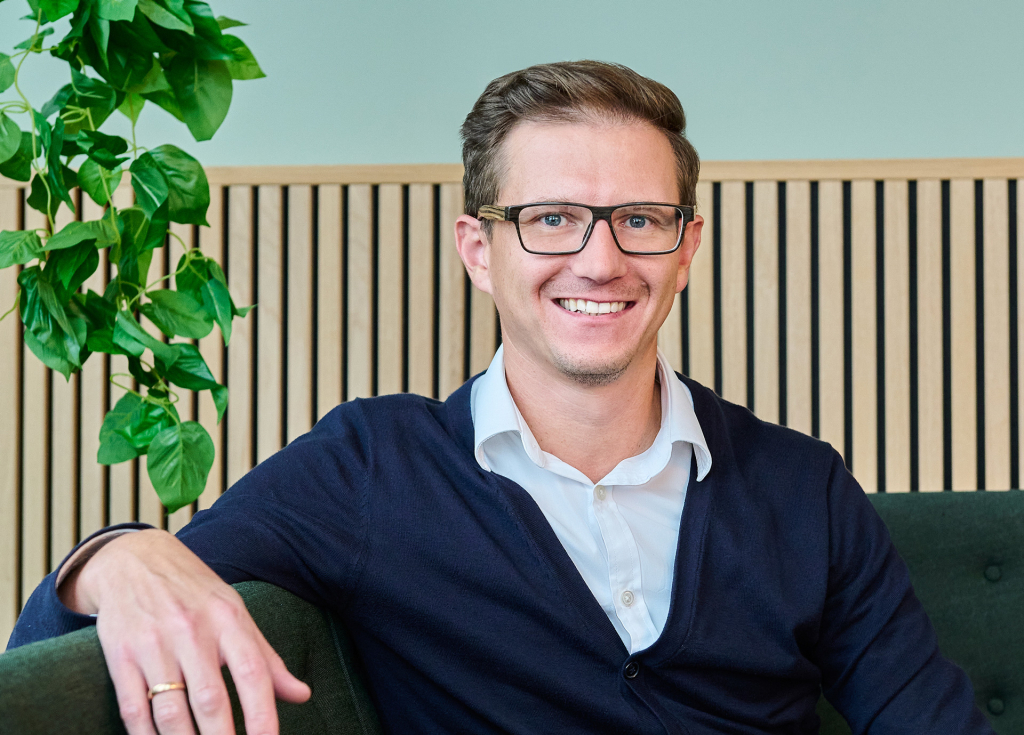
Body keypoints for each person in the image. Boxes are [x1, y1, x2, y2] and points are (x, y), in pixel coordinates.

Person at [9, 61, 993, 735]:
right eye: (551, 218)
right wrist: (116, 557)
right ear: (478, 250)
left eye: (640, 218)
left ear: (686, 246)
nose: (599, 260)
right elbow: (44, 659)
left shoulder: (803, 486)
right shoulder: (373, 469)